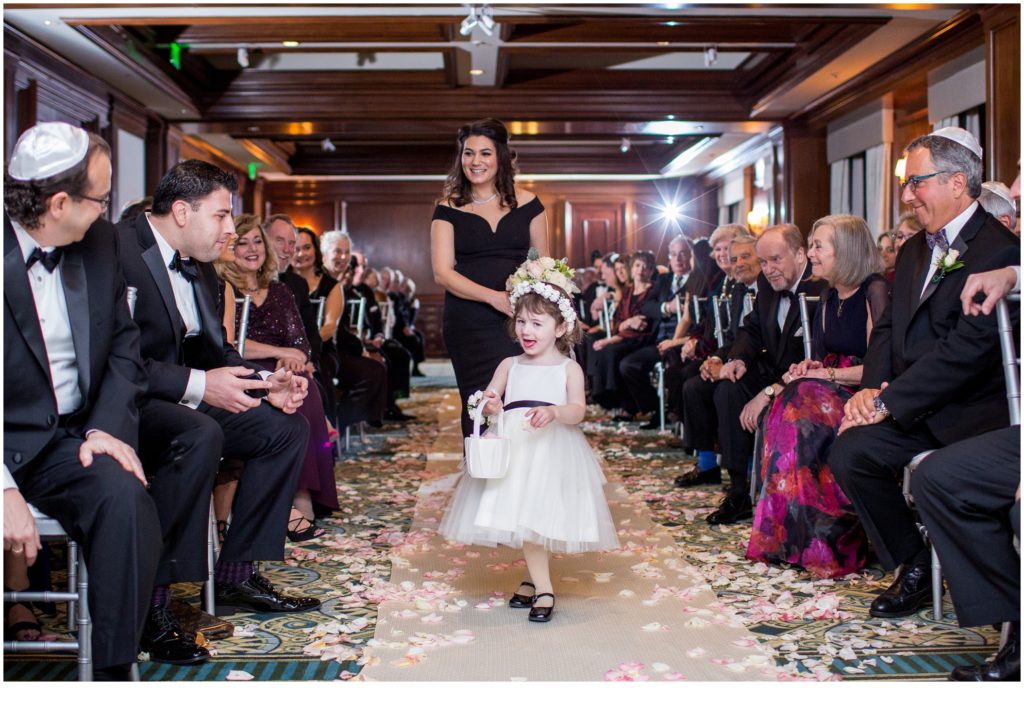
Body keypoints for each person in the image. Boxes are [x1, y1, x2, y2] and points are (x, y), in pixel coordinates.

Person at [117, 160, 321, 629]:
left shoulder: (204, 268)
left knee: (286, 428)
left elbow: (217, 351)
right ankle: (155, 603)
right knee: (200, 432)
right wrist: (201, 385)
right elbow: (116, 361)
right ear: (183, 212)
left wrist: (264, 385)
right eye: (222, 215)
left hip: (188, 396)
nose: (230, 230)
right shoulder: (120, 251)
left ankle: (235, 572)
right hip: (131, 403)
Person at [828, 127, 1019, 619]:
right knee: (850, 450)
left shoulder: (998, 249)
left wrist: (889, 402)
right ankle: (913, 563)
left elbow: (966, 353)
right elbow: (888, 327)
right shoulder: (915, 249)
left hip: (969, 414)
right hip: (910, 405)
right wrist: (871, 389)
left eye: (917, 183)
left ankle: (1004, 619)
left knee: (935, 474)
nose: (907, 195)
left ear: (958, 182)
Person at [4, 122, 162, 680]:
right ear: (60, 202)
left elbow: (124, 343)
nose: (107, 209)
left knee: (127, 501)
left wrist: (106, 429)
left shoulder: (98, 241)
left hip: (66, 440)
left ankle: (113, 671)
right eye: (101, 197)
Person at [438, 254, 619, 623]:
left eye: (537, 322)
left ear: (560, 327)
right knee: (525, 519)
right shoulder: (509, 365)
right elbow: (490, 400)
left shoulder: (569, 368)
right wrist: (489, 407)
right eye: (521, 321)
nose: (527, 330)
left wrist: (554, 412)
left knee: (538, 520)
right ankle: (536, 579)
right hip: (515, 449)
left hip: (550, 449)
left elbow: (577, 410)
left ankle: (544, 588)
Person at [746, 215, 888, 578]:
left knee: (800, 402)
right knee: (788, 400)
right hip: (826, 385)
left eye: (817, 246)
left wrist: (823, 375)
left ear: (847, 250)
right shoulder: (827, 296)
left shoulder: (875, 290)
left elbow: (878, 366)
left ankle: (826, 542)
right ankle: (788, 535)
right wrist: (806, 368)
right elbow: (823, 357)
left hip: (863, 392)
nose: (811, 254)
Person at [217, 215, 338, 538]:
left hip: (283, 366)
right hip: (242, 366)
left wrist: (293, 358)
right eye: (242, 242)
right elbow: (229, 345)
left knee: (306, 386)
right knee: (294, 392)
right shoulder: (221, 287)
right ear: (230, 247)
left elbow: (299, 341)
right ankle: (291, 498)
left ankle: (302, 492)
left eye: (257, 241)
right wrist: (278, 352)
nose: (252, 249)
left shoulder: (280, 289)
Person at [698, 224, 828, 524]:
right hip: (772, 371)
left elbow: (816, 359)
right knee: (728, 388)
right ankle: (739, 491)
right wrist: (739, 358)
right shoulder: (768, 284)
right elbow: (751, 328)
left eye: (775, 260)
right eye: (764, 261)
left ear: (799, 254)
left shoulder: (822, 287)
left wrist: (768, 392)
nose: (768, 270)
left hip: (807, 379)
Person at [430, 117, 548, 438]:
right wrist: (493, 297)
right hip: (468, 322)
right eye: (468, 153)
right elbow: (442, 272)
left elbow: (543, 265)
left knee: (520, 398)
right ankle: (482, 475)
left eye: (484, 153)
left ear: (500, 156)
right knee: (478, 401)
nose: (475, 161)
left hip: (518, 319)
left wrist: (527, 300)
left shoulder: (530, 205)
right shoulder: (448, 208)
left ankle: (520, 483)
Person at [676, 232, 761, 487]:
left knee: (727, 390)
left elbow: (759, 339)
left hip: (760, 365)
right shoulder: (736, 288)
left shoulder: (767, 288)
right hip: (735, 358)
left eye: (745, 256)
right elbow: (735, 337)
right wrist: (715, 359)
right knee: (694, 386)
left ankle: (744, 475)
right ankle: (707, 464)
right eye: (735, 258)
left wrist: (728, 362)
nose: (738, 263)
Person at [619, 236, 695, 428]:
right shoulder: (663, 280)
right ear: (669, 258)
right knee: (628, 365)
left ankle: (677, 415)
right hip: (659, 340)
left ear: (691, 256)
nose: (678, 259)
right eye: (674, 254)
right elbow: (647, 306)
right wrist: (666, 308)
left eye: (683, 253)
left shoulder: (697, 280)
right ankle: (656, 407)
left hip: (685, 341)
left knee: (674, 367)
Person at [318, 230, 387, 428]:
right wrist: (360, 348)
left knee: (375, 370)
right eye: (337, 251)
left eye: (346, 252)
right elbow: (334, 329)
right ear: (324, 253)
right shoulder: (320, 282)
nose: (343, 257)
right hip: (322, 350)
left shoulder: (343, 285)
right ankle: (331, 427)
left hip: (338, 349)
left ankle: (342, 422)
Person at [587, 250, 658, 415]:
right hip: (626, 337)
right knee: (607, 350)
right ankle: (611, 399)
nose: (640, 270)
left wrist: (622, 329)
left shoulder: (653, 291)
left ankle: (624, 404)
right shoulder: (629, 292)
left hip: (643, 339)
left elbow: (642, 324)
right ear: (632, 269)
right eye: (637, 266)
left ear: (651, 270)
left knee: (612, 352)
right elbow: (619, 323)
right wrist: (626, 323)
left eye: (645, 267)